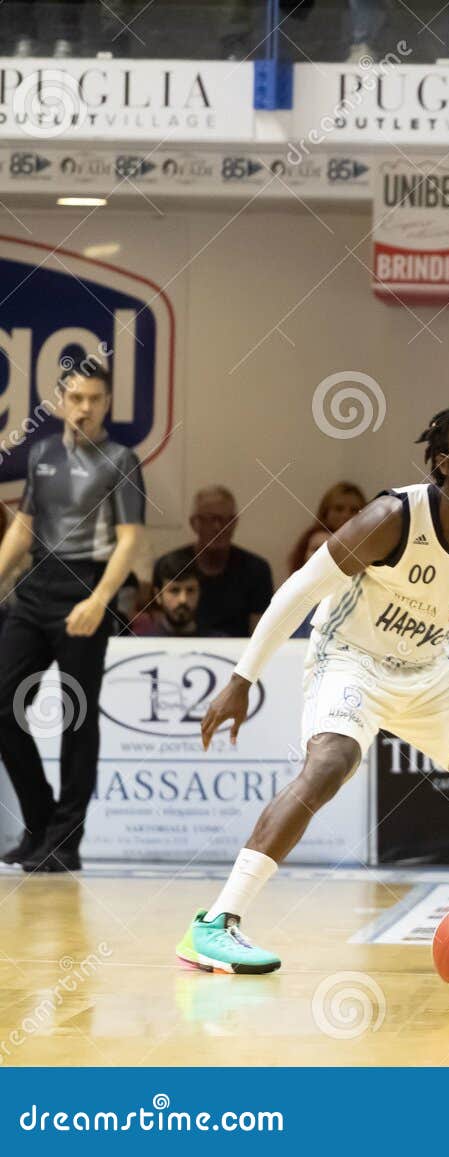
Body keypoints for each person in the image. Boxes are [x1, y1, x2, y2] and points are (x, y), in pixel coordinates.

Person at [180, 405, 449, 975]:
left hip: (426, 669)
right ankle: (217, 923)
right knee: (330, 764)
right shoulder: (391, 517)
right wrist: (241, 679)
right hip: (350, 661)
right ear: (440, 463)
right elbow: (297, 592)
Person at [0, 361, 145, 873]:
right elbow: (24, 528)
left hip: (87, 587)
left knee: (76, 718)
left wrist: (100, 598)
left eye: (96, 399)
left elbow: (129, 540)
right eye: (77, 397)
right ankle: (39, 824)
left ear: (107, 403)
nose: (86, 407)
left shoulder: (121, 459)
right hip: (35, 587)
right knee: (4, 707)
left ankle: (65, 843)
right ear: (61, 399)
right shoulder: (40, 455)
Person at [156, 487, 274, 637]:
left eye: (227, 520)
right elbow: (159, 630)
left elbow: (260, 636)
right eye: (211, 519)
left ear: (235, 523)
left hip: (236, 655)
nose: (219, 527)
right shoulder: (168, 566)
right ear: (194, 523)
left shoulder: (257, 570)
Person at [130, 553, 216, 639]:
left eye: (190, 590)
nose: (183, 600)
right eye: (174, 590)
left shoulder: (220, 643)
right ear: (158, 595)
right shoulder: (138, 643)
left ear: (199, 593)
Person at [288, 482, 367, 574]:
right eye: (339, 509)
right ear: (325, 512)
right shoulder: (317, 539)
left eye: (354, 510)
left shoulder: (367, 542)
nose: (346, 515)